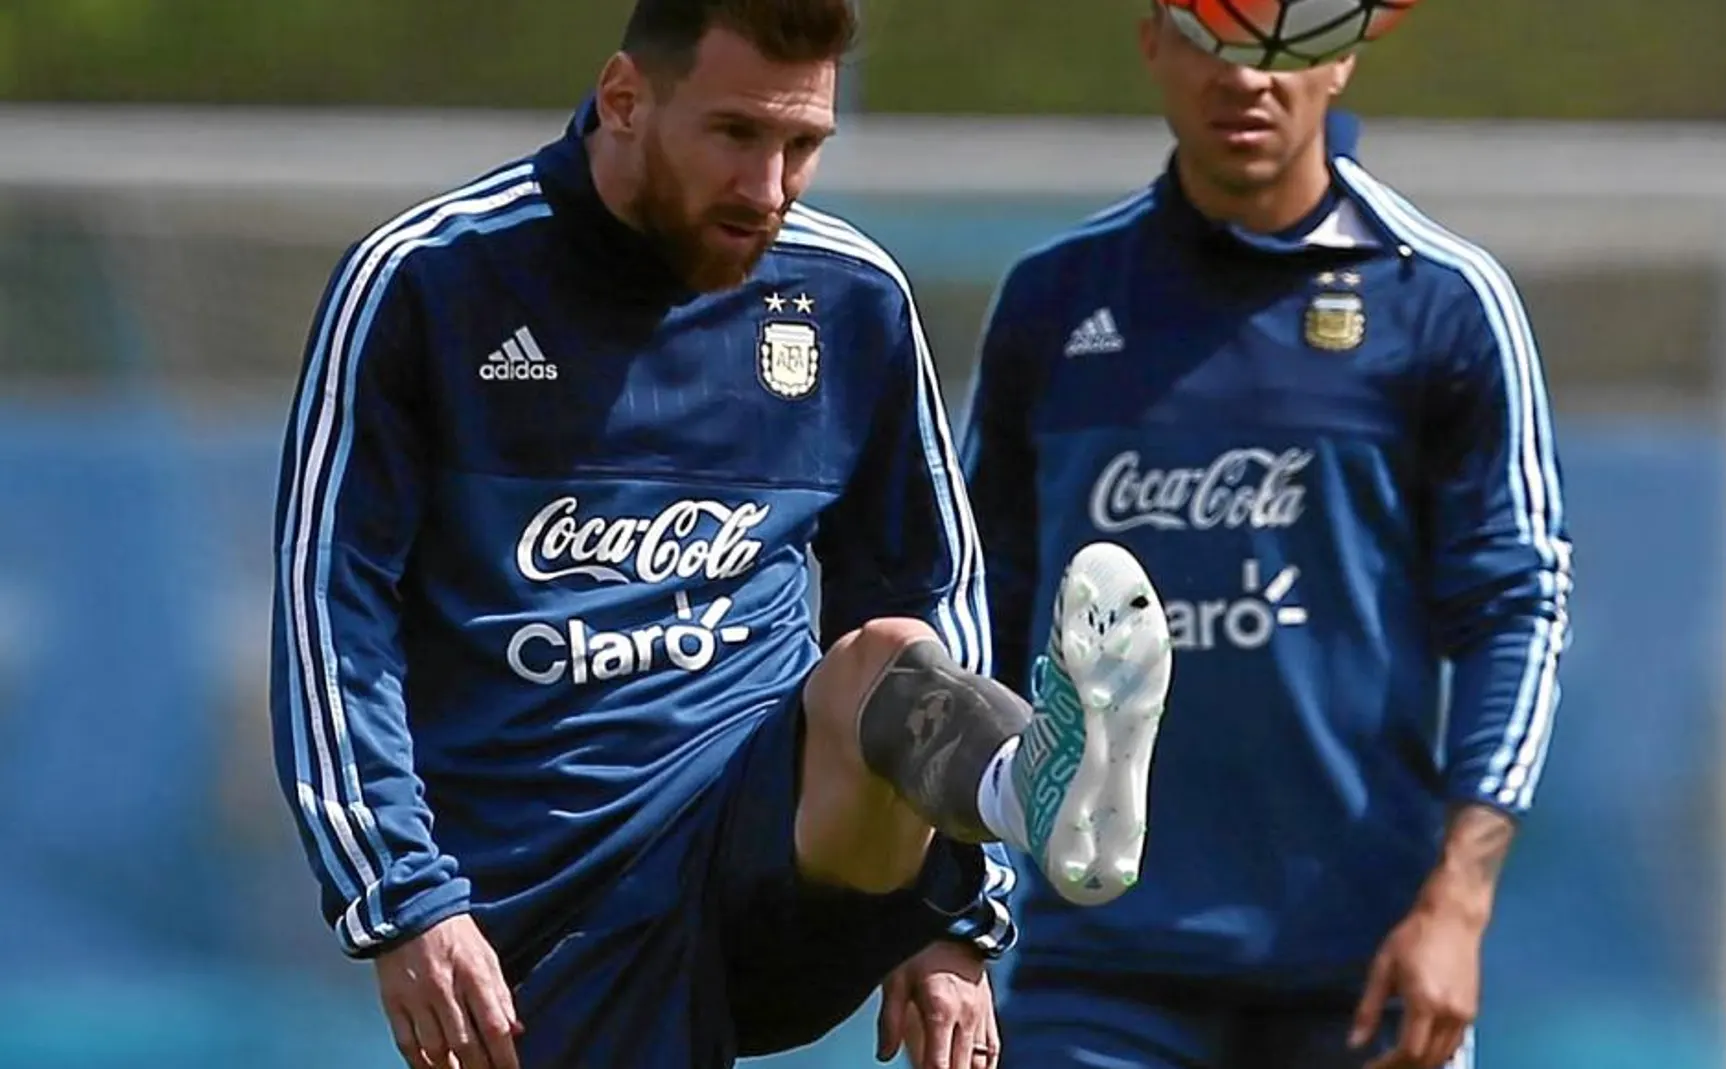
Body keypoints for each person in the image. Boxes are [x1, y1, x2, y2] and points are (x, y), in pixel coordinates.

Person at [266, 2, 1175, 1067]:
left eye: (803, 145)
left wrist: (954, 916)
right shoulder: (427, 280)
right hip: (544, 898)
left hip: (772, 846)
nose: (769, 187)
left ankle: (1017, 785)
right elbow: (333, 614)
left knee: (884, 655)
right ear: (623, 100)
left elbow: (931, 581)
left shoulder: (850, 295)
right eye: (737, 134)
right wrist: (404, 897)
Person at [960, 7, 1573, 1069]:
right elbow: (971, 606)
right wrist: (948, 904)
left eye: (1283, 38)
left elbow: (1514, 607)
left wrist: (1458, 908)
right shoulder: (1054, 301)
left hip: (1361, 964)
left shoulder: (1443, 300)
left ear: (1341, 56)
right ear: (1151, 40)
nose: (1246, 76)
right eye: (1211, 32)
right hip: (1094, 964)